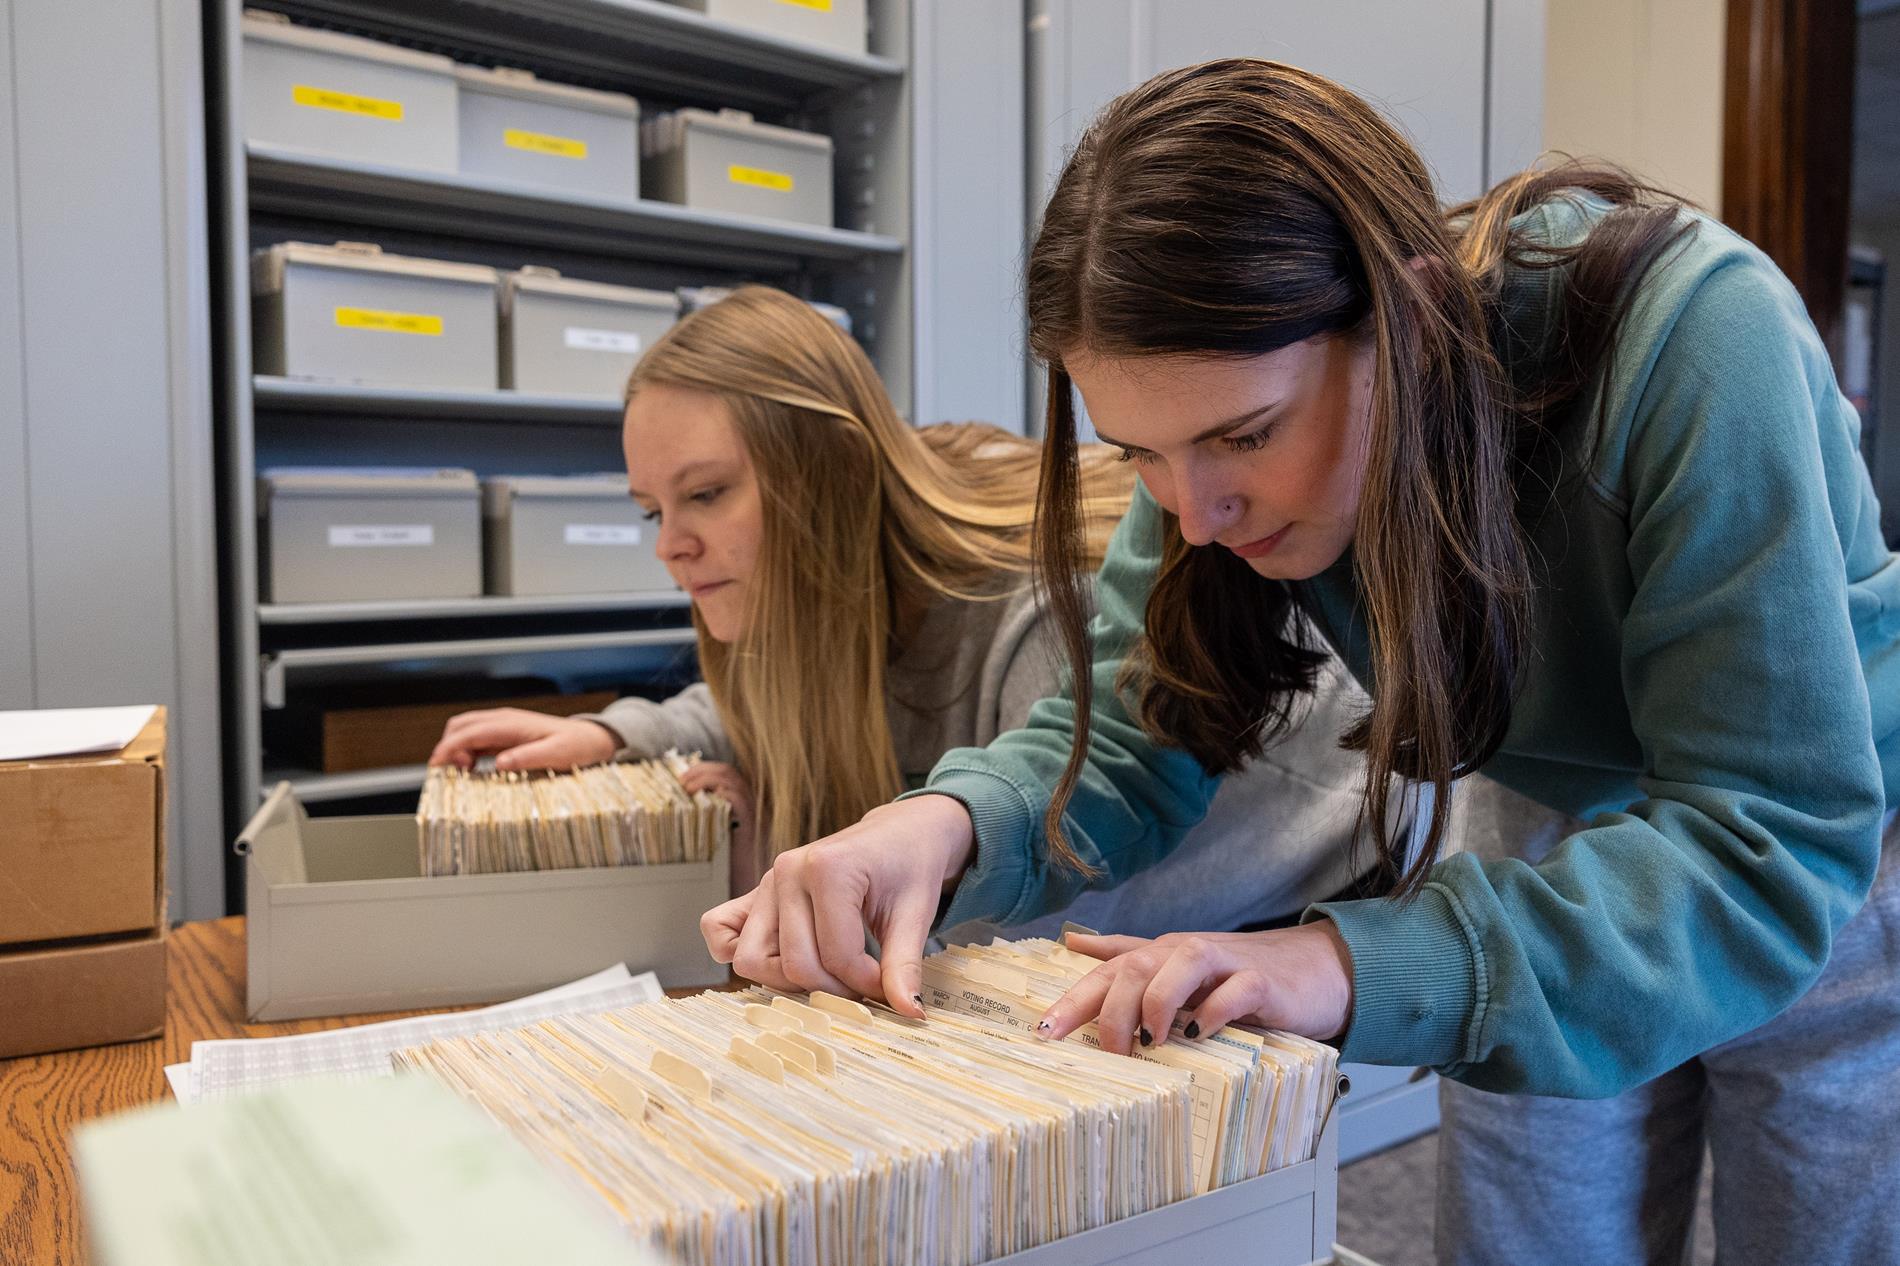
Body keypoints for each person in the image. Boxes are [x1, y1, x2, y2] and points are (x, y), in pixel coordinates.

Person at [702, 62, 1900, 1265]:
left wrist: (1335, 959)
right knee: (1527, 1237)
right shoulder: (1200, 470)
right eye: (1142, 455)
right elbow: (1132, 731)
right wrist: (942, 826)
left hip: (1819, 839)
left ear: (1413, 316)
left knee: (1818, 1226)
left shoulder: (1699, 332)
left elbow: (1765, 836)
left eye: (1244, 437)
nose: (1195, 513)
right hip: (1539, 796)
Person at [430, 285, 1380, 926]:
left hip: (1335, 853)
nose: (668, 543)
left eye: (708, 494)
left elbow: (1051, 923)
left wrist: (788, 856)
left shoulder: (1034, 617)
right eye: (654, 509)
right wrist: (618, 734)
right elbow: (787, 681)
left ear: (830, 476)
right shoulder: (845, 576)